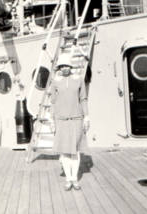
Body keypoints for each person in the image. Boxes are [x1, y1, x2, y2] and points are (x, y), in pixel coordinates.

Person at [50, 53, 90, 191]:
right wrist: (51, 120)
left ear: (71, 66)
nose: (64, 68)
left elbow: (83, 99)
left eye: (66, 65)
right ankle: (68, 179)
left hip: (76, 119)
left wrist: (86, 117)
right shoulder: (55, 81)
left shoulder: (79, 80)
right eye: (62, 66)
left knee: (75, 151)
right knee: (65, 152)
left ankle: (74, 178)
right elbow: (53, 102)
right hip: (60, 120)